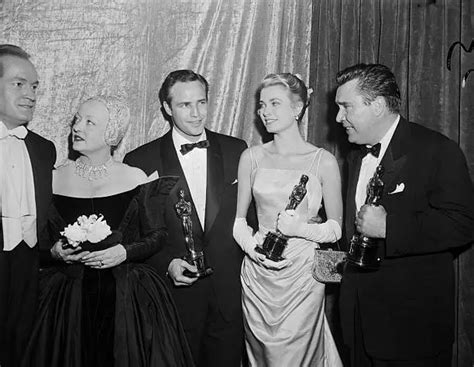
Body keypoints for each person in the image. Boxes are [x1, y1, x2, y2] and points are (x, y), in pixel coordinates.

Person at [21, 96, 194, 367]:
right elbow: (33, 244)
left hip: (128, 300)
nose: (78, 127)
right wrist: (54, 252)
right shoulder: (52, 178)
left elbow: (157, 236)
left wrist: (124, 252)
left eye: (90, 122)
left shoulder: (134, 177)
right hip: (67, 303)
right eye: (77, 119)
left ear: (111, 132)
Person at [335, 63, 474, 366]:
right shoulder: (355, 155)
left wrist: (390, 227)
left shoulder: (437, 150)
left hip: (411, 331)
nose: (338, 118)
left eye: (346, 107)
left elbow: (463, 224)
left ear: (379, 106)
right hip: (358, 326)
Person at [124, 70, 248, 367]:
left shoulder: (237, 150)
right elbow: (134, 235)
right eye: (184, 105)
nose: (196, 114)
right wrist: (166, 263)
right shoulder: (140, 161)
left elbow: (251, 218)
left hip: (228, 296)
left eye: (202, 103)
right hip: (173, 298)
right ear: (167, 108)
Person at [233, 73, 344, 366]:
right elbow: (238, 222)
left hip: (304, 273)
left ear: (298, 108)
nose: (265, 111)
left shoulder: (324, 161)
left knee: (298, 355)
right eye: (261, 105)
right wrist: (251, 249)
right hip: (258, 273)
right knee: (261, 355)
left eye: (274, 103)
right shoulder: (251, 157)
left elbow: (335, 229)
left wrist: (300, 228)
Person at [0, 44, 56, 367]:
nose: (31, 95)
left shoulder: (44, 150)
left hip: (28, 277)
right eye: (19, 84)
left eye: (34, 86)